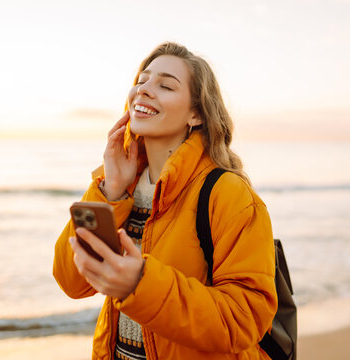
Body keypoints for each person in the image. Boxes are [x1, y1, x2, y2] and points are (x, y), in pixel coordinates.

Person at [53, 42, 277, 360]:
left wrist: (140, 286)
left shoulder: (228, 193)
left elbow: (243, 321)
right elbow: (71, 281)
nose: (144, 90)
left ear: (196, 114)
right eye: (141, 81)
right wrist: (111, 189)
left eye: (165, 85)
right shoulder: (121, 185)